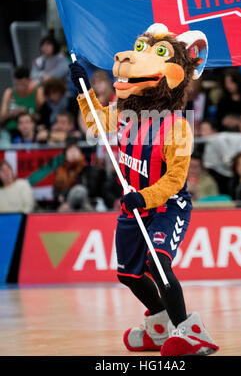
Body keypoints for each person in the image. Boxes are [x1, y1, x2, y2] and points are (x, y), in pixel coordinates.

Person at [70, 22, 219, 357]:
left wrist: (145, 197)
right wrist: (83, 90)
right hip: (132, 207)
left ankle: (193, 333)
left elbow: (174, 181)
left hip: (167, 205)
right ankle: (160, 324)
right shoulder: (124, 112)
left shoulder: (177, 126)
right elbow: (96, 123)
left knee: (157, 261)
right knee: (127, 274)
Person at [0, 68, 44, 137]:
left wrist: (26, 112)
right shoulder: (9, 93)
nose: (20, 87)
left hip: (32, 133)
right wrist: (11, 114)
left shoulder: (38, 92)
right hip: (12, 132)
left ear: (29, 80)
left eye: (23, 84)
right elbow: (1, 119)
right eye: (17, 84)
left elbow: (43, 117)